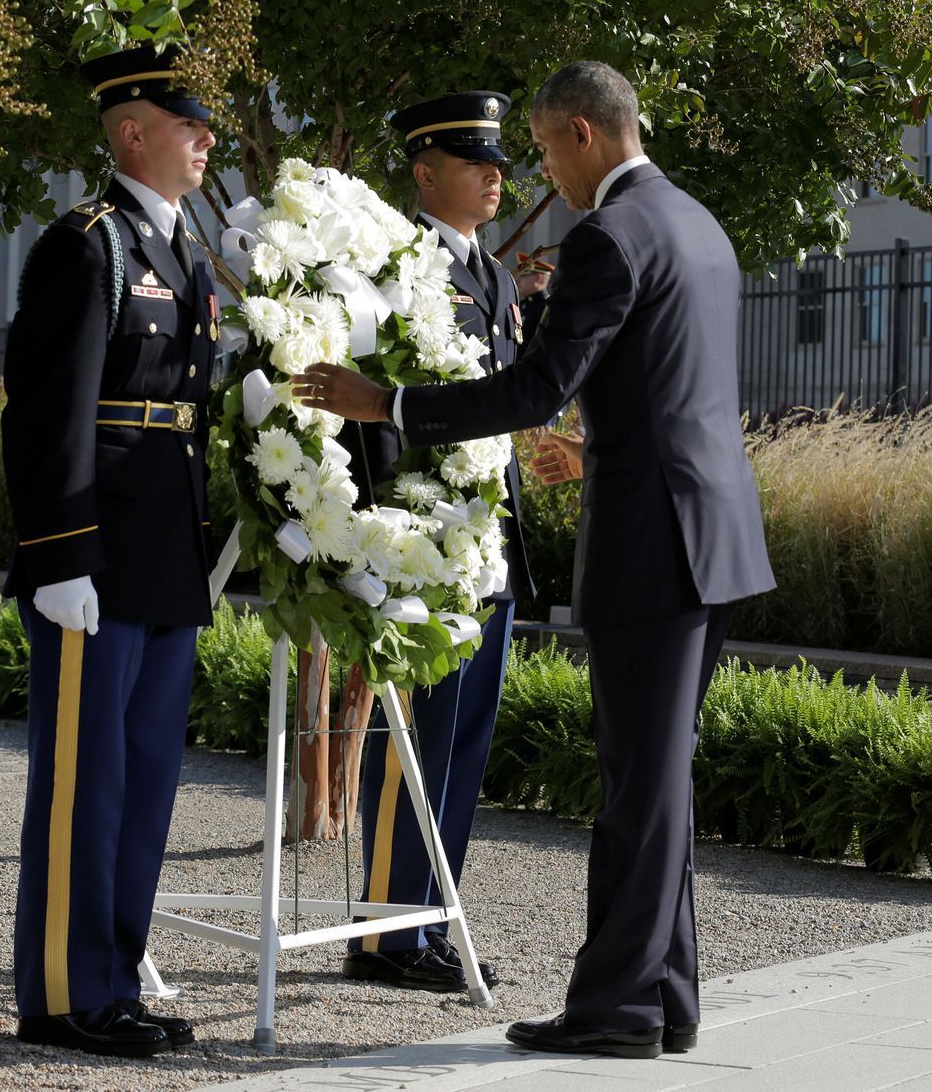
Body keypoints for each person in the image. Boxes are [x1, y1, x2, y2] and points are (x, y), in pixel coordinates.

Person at [296, 60, 774, 1061]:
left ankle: (616, 1009)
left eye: (547, 149)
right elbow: (671, 390)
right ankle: (668, 998)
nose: (539, 173)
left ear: (584, 136)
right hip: (716, 536)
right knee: (661, 782)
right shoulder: (699, 222)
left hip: (654, 543)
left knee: (636, 787)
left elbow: (534, 388)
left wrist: (387, 404)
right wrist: (598, 448)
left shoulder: (607, 234)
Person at [0, 46, 220, 1059]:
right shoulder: (84, 245)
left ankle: (117, 977)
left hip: (165, 556)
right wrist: (58, 557)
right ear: (132, 131)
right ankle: (64, 992)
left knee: (143, 780)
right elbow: (47, 415)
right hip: (95, 557)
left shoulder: (187, 251)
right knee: (85, 784)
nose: (206, 136)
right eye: (188, 121)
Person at [340, 91, 532, 995]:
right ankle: (384, 932)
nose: (495, 177)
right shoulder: (396, 264)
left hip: (488, 541)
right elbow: (374, 408)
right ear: (425, 174)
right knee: (414, 736)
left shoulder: (490, 275)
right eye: (474, 163)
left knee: (462, 743)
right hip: (428, 543)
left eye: (497, 162)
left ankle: (431, 918)